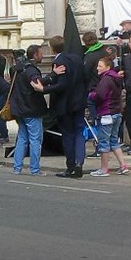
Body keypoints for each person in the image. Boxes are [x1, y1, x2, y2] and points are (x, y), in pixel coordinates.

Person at [45, 35, 88, 178]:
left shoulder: (59, 62)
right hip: (79, 102)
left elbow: (61, 85)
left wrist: (44, 90)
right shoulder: (77, 58)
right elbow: (85, 78)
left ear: (52, 48)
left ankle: (71, 167)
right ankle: (79, 162)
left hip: (65, 104)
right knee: (79, 133)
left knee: (68, 135)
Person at [8, 43, 48, 175]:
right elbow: (36, 85)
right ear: (35, 54)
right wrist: (49, 82)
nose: (42, 55)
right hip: (31, 109)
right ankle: (35, 169)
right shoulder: (31, 70)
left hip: (18, 109)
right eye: (41, 53)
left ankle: (17, 168)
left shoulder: (16, 69)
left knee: (22, 139)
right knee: (35, 140)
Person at [89, 56, 129, 177]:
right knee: (114, 141)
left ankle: (104, 169)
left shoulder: (105, 79)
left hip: (106, 113)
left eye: (100, 66)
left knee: (103, 142)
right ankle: (123, 165)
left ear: (107, 67)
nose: (97, 68)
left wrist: (91, 95)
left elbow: (100, 95)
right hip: (117, 113)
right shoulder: (116, 78)